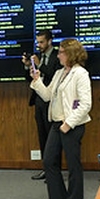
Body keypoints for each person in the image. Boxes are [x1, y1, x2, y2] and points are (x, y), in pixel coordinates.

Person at [29, 38, 92, 199]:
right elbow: (48, 95)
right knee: (49, 160)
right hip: (57, 124)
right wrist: (37, 80)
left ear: (70, 54)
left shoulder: (81, 74)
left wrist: (69, 123)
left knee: (73, 165)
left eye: (61, 52)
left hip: (72, 125)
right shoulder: (59, 73)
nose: (58, 55)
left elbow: (86, 104)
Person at [22, 30, 61, 180]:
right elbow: (31, 80)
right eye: (37, 42)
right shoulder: (37, 57)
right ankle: (46, 170)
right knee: (42, 136)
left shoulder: (58, 56)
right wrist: (28, 67)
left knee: (53, 140)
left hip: (52, 102)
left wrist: (39, 64)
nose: (39, 45)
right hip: (38, 100)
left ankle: (54, 172)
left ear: (49, 41)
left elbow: (54, 75)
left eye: (41, 42)